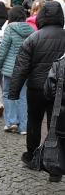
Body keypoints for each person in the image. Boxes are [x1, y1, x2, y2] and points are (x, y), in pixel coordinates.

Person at [8, 1, 65, 170]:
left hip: (36, 88)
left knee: (34, 119)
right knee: (58, 122)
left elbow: (21, 68)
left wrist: (13, 92)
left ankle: (32, 156)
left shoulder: (33, 38)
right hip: (61, 89)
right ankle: (57, 158)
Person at [0, 5, 35, 133]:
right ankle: (24, 127)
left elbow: (4, 49)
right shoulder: (32, 29)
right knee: (23, 97)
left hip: (10, 68)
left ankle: (11, 121)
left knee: (7, 93)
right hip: (25, 68)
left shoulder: (10, 28)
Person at [44, 54, 65, 182]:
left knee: (59, 141)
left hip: (61, 114)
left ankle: (55, 172)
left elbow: (49, 91)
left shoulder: (59, 64)